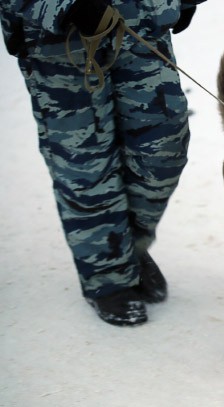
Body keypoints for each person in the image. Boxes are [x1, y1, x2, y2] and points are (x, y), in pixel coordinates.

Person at [0, 0, 206, 326]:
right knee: (86, 167)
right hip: (58, 41)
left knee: (162, 150)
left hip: (142, 19)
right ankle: (108, 277)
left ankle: (128, 250)